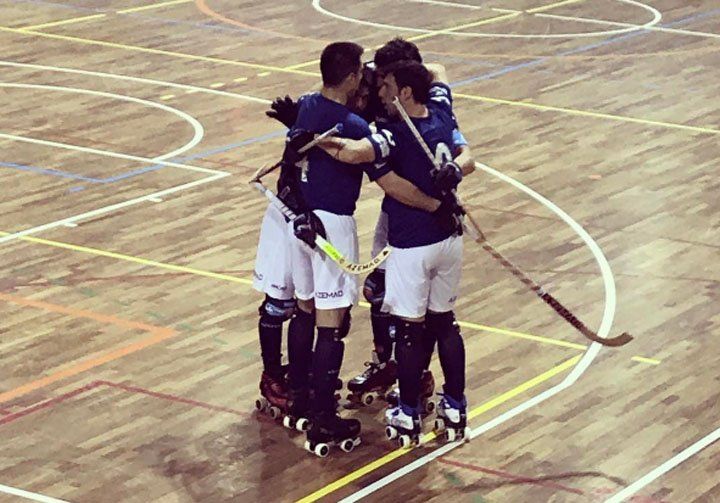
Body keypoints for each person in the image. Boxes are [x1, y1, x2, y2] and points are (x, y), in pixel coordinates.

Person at [285, 42, 455, 457]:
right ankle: (324, 418)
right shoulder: (359, 125)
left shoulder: (306, 105)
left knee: (305, 308)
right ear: (350, 79)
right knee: (334, 322)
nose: (372, 83)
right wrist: (439, 207)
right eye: (365, 75)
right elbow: (385, 178)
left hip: (300, 221)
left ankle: (301, 397)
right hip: (335, 226)